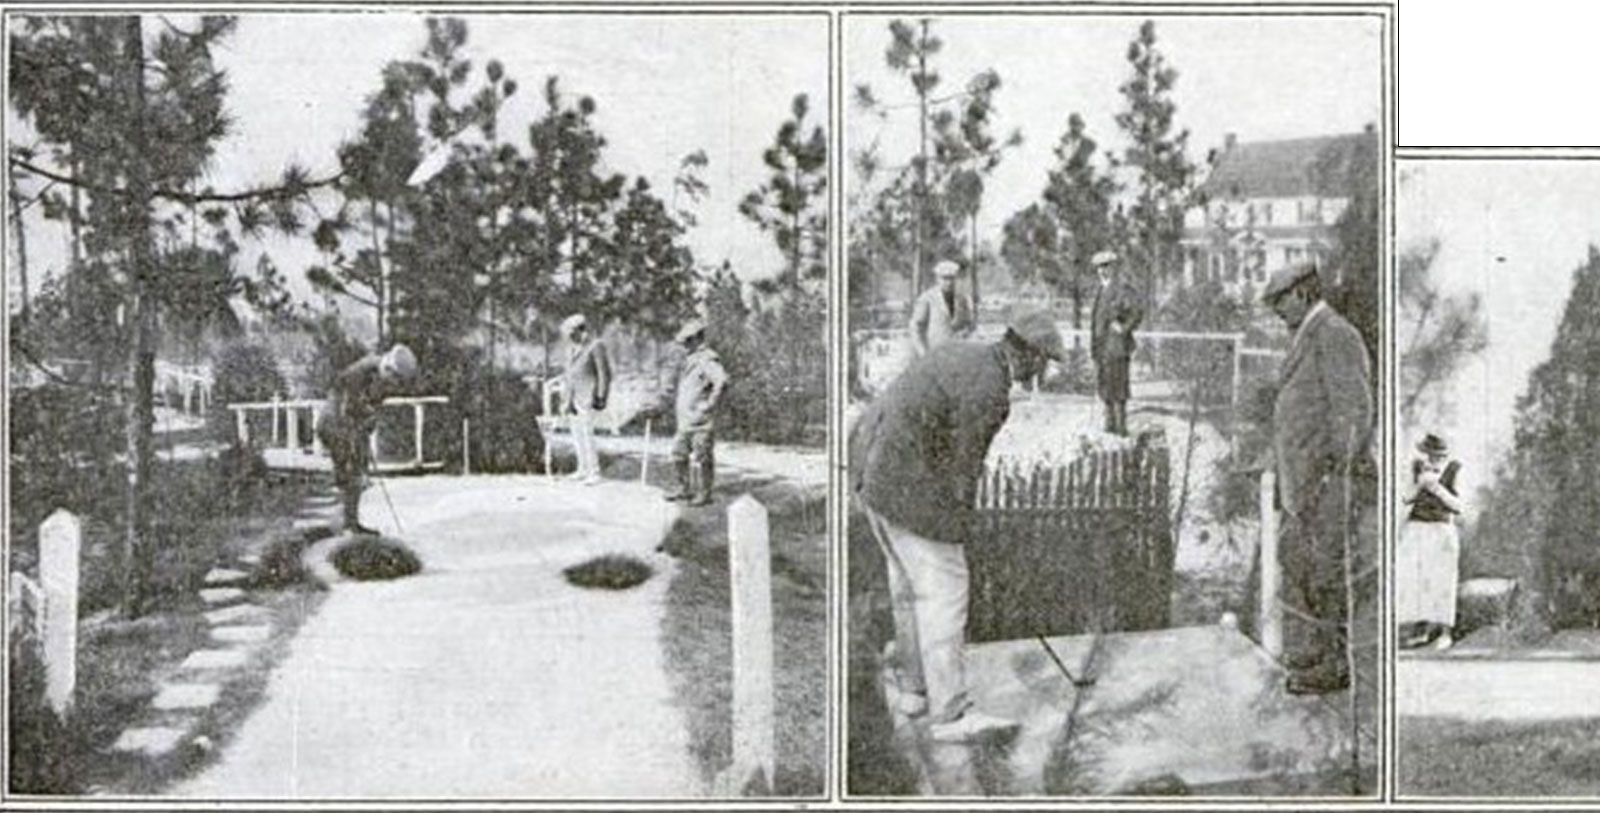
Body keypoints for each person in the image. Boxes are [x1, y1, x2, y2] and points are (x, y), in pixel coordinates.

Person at [849, 308, 1065, 742]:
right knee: (946, 592)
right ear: (1029, 356)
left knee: (908, 592)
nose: (1043, 371)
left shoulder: (958, 352)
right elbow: (962, 467)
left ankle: (915, 692)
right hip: (908, 490)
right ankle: (949, 714)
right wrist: (959, 532)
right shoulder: (992, 389)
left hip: (872, 480)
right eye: (1044, 361)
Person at [1262, 261, 1374, 695]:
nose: (1276, 310)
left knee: (1327, 571)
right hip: (1306, 484)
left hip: (1331, 481)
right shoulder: (1309, 334)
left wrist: (1331, 471)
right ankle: (1319, 647)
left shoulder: (1334, 333)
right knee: (1298, 559)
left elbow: (1354, 411)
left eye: (1281, 300)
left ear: (1305, 293)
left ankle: (1333, 665)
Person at [316, 343, 418, 536]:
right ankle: (344, 525)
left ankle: (351, 523)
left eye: (399, 382)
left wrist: (369, 422)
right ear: (387, 367)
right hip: (335, 423)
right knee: (348, 473)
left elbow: (373, 409)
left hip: (353, 426)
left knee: (360, 472)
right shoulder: (361, 371)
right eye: (395, 379)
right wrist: (364, 418)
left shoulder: (385, 381)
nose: (394, 385)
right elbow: (346, 406)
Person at [1398, 433, 1465, 649]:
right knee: (1418, 579)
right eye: (1429, 455)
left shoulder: (1455, 469)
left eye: (1437, 455)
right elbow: (1406, 498)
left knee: (1443, 579)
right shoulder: (1418, 468)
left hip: (1442, 528)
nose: (1432, 459)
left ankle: (1445, 633)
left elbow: (1459, 506)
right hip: (1417, 528)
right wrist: (1420, 485)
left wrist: (1437, 488)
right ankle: (1421, 630)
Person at [662, 320, 728, 507]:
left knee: (702, 455)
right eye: (685, 341)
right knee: (678, 454)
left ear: (698, 339)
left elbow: (722, 382)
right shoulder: (691, 359)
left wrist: (709, 404)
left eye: (689, 340)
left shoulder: (707, 359)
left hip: (701, 421)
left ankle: (704, 493)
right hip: (685, 420)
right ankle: (683, 488)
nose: (685, 345)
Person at [1089, 250, 1144, 436]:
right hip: (1101, 348)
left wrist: (1124, 327)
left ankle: (1121, 428)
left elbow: (1136, 311)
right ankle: (1109, 426)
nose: (1102, 271)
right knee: (1105, 387)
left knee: (1118, 388)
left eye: (1106, 266)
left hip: (1117, 347)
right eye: (1099, 267)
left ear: (1113, 267)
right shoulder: (1100, 290)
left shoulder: (1122, 289)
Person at [561, 313, 611, 485]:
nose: (569, 337)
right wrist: (566, 399)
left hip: (589, 397)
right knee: (577, 434)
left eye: (572, 333)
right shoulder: (571, 349)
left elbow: (604, 374)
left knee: (587, 434)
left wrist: (601, 396)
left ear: (580, 330)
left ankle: (594, 472)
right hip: (573, 399)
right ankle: (582, 468)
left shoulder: (596, 346)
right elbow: (569, 375)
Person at [908, 260, 974, 357]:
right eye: (945, 278)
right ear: (937, 279)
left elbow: (969, 323)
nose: (949, 283)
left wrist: (964, 333)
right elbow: (916, 327)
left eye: (952, 278)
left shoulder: (962, 299)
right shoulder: (927, 298)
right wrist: (923, 352)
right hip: (934, 354)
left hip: (958, 354)